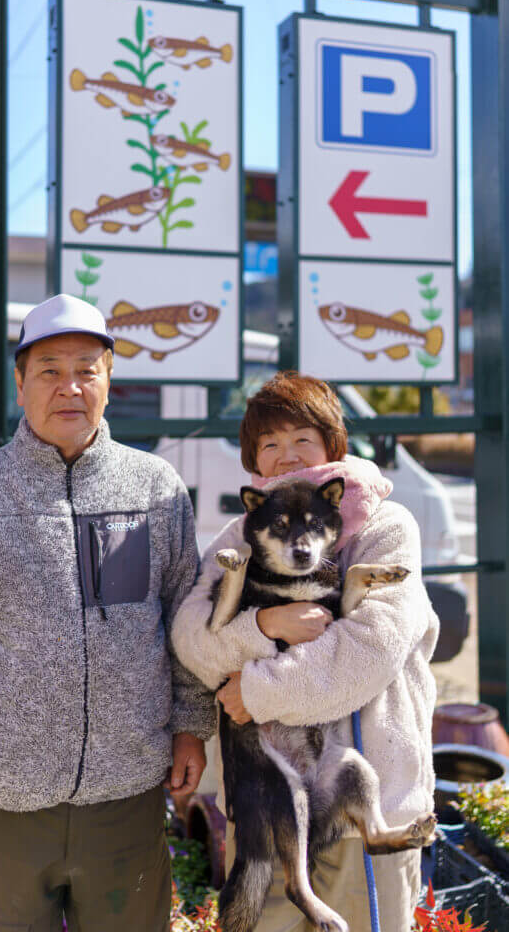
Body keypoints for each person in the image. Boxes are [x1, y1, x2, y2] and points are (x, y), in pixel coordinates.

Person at [0, 293, 215, 932]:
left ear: (109, 380)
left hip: (129, 793)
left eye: (87, 369)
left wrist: (190, 725)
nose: (70, 386)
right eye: (49, 370)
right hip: (6, 799)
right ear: (20, 383)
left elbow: (185, 621)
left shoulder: (154, 489)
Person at [172, 371, 439, 932]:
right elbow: (191, 639)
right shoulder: (240, 536)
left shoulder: (387, 526)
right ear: (253, 459)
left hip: (366, 800)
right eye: (270, 444)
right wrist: (265, 625)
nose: (286, 456)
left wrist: (256, 690)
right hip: (265, 804)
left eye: (302, 440)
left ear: (332, 446)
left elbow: (370, 649)